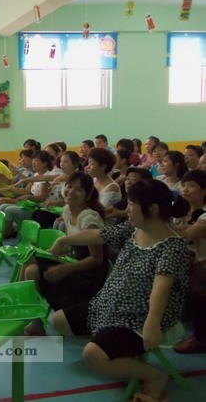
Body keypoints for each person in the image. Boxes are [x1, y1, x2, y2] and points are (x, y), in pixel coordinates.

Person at [49, 179, 189, 402]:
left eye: (132, 204)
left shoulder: (173, 247)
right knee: (58, 321)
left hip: (140, 317)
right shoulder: (134, 228)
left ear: (153, 209)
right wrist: (65, 239)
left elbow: (161, 288)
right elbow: (98, 235)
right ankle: (109, 344)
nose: (127, 209)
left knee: (92, 355)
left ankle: (154, 376)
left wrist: (152, 323)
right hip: (111, 304)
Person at [21, 172, 108, 336]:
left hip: (88, 277)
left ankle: (22, 307)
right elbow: (74, 247)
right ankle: (35, 320)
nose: (71, 192)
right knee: (31, 267)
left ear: (88, 195)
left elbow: (96, 259)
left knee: (32, 262)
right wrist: (60, 251)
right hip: (73, 266)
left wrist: (64, 269)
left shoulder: (89, 219)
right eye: (69, 186)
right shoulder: (68, 210)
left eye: (79, 190)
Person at [174, 170, 206, 354]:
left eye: (191, 186)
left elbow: (188, 234)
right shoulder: (184, 211)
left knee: (194, 290)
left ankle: (201, 338)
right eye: (184, 185)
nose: (185, 189)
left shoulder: (204, 215)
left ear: (204, 191)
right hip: (191, 265)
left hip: (201, 268)